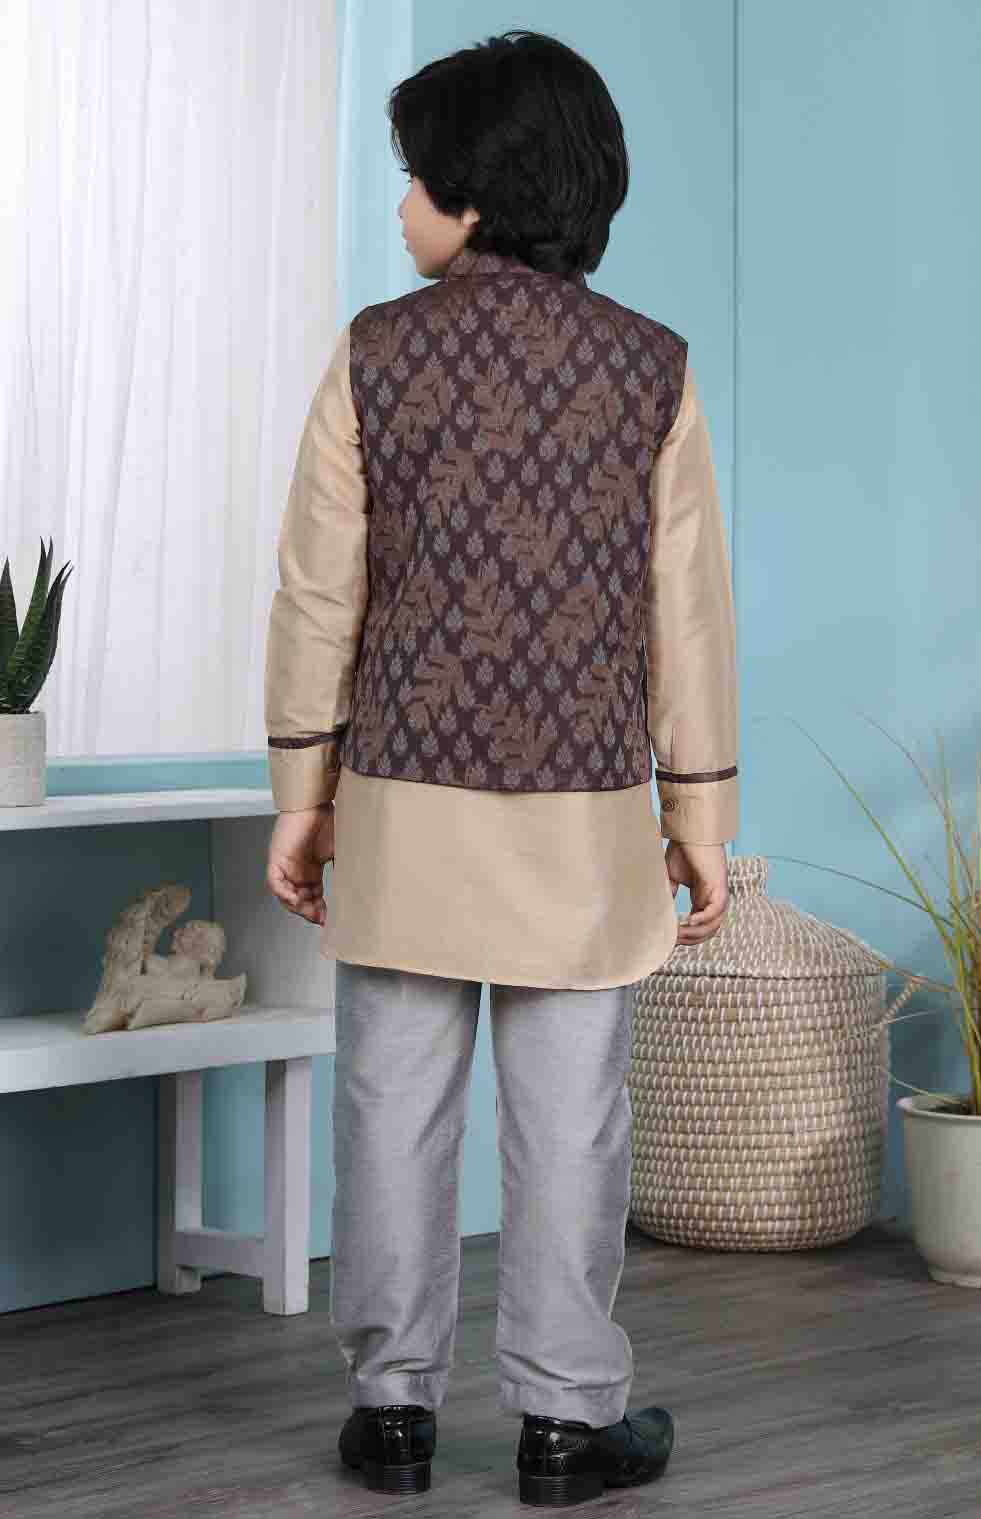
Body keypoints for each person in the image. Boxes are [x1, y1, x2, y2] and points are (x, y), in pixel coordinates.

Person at [263, 27, 738, 1507]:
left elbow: (319, 595)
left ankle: (392, 1413)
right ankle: (566, 1424)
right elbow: (685, 614)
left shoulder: (375, 354)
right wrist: (700, 813)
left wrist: (301, 798)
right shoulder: (651, 367)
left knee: (391, 1107)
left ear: (476, 195)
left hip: (403, 807)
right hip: (582, 821)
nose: (401, 205)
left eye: (417, 180)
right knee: (570, 1122)